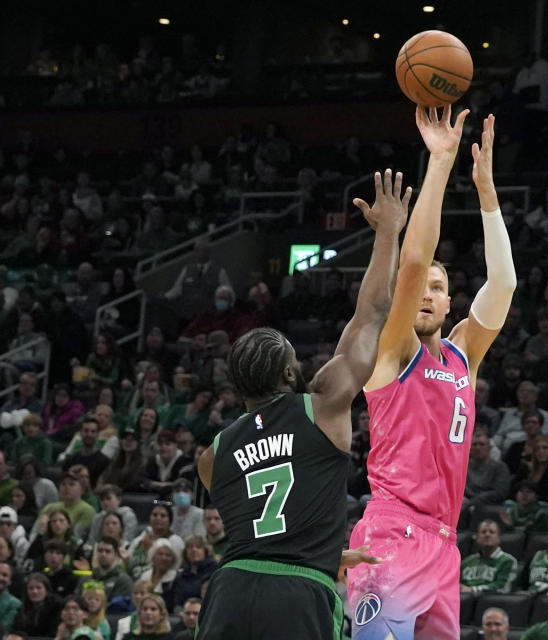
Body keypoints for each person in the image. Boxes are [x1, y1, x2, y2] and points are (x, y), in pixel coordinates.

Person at [194, 165, 410, 640]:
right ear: (292, 374)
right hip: (298, 594)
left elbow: (262, 531)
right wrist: (389, 230)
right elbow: (371, 313)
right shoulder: (322, 405)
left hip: (229, 591)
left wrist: (323, 552)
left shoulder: (212, 455)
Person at [346, 110, 517, 640]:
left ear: (450, 304)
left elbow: (504, 285)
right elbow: (415, 261)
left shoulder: (464, 354)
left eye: (439, 289)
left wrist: (486, 193)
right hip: (393, 532)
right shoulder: (393, 351)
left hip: (444, 547)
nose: (426, 292)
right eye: (421, 287)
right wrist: (441, 161)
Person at [459, 520, 518, 594]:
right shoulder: (466, 561)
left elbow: (503, 588)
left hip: (492, 602)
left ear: (499, 538)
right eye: (483, 532)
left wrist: (473, 589)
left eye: (492, 532)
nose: (487, 534)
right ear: (477, 538)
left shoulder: (508, 561)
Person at [36, 473, 95, 539]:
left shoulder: (87, 510)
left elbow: (77, 536)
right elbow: (35, 533)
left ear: (82, 489)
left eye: (71, 484)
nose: (66, 487)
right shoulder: (49, 507)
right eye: (63, 484)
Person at [464, 431, 511, 512]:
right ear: (470, 448)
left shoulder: (500, 467)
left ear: (489, 448)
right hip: (465, 505)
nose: (478, 448)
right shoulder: (464, 467)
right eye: (474, 444)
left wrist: (472, 502)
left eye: (482, 444)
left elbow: (500, 493)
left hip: (490, 507)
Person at [169, 536, 216, 607]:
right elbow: (176, 600)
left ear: (205, 551)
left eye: (198, 547)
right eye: (190, 547)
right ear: (185, 552)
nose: (194, 550)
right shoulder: (181, 575)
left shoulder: (215, 570)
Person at [11, 573, 61, 638]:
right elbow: (15, 630)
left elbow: (51, 635)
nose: (35, 591)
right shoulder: (22, 608)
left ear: (47, 590)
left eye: (39, 588)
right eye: (31, 588)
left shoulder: (56, 607)